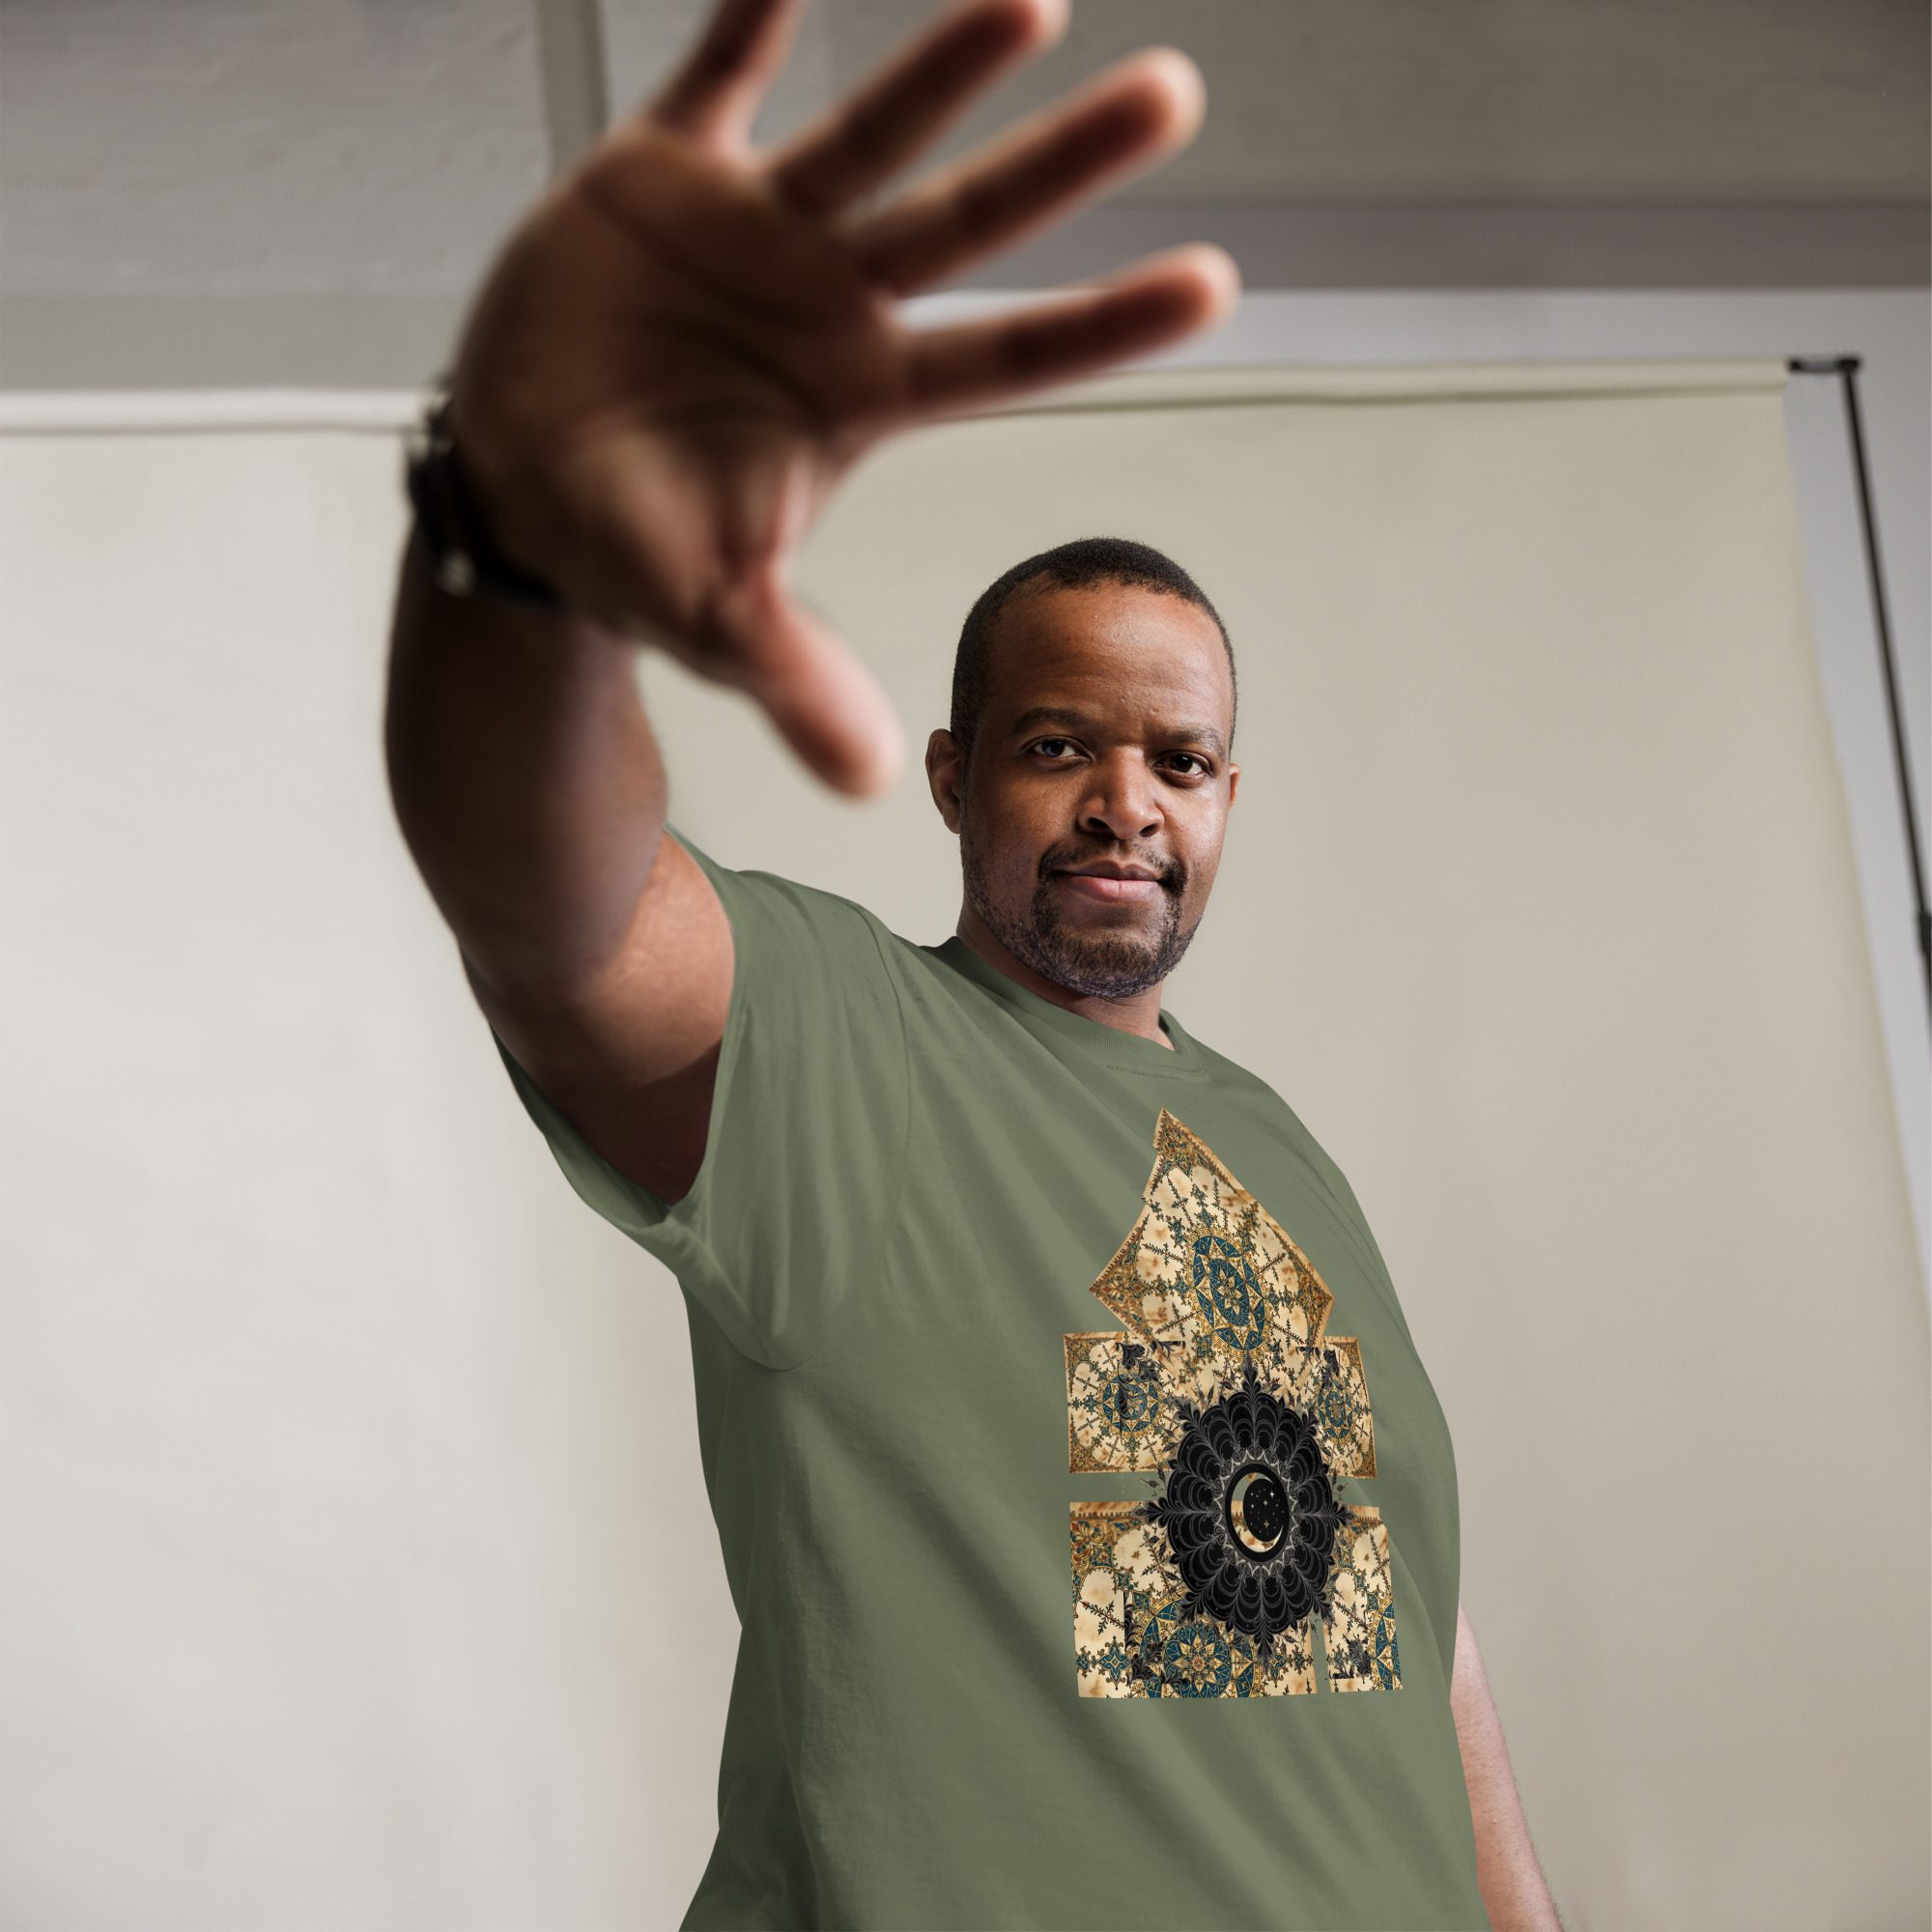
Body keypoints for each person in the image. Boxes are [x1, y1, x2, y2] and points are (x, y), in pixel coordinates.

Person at [384, 0, 1561, 1924]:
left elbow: (1417, 1636)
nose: (1124, 800)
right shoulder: (849, 1044)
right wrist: (523, 545)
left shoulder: (1274, 1145)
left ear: (1228, 796)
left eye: (1176, 760)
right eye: (1054, 745)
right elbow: (558, 915)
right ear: (953, 777)